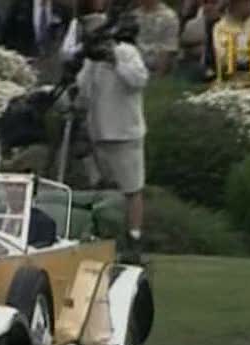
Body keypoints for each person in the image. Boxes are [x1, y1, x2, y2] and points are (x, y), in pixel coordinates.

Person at [76, 12, 149, 263]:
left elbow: (138, 80)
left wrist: (114, 59)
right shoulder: (91, 62)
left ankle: (135, 238)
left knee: (132, 189)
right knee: (102, 189)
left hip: (126, 132)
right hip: (100, 133)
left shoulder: (126, 52)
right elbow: (83, 93)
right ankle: (103, 237)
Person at [0, 0, 73, 58]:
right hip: (23, 63)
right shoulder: (19, 6)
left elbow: (66, 43)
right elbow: (5, 37)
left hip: (50, 68)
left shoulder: (63, 12)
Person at [134, 0, 180, 76]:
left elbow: (168, 48)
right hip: (134, 57)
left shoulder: (169, 16)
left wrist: (159, 75)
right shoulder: (134, 15)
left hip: (154, 58)